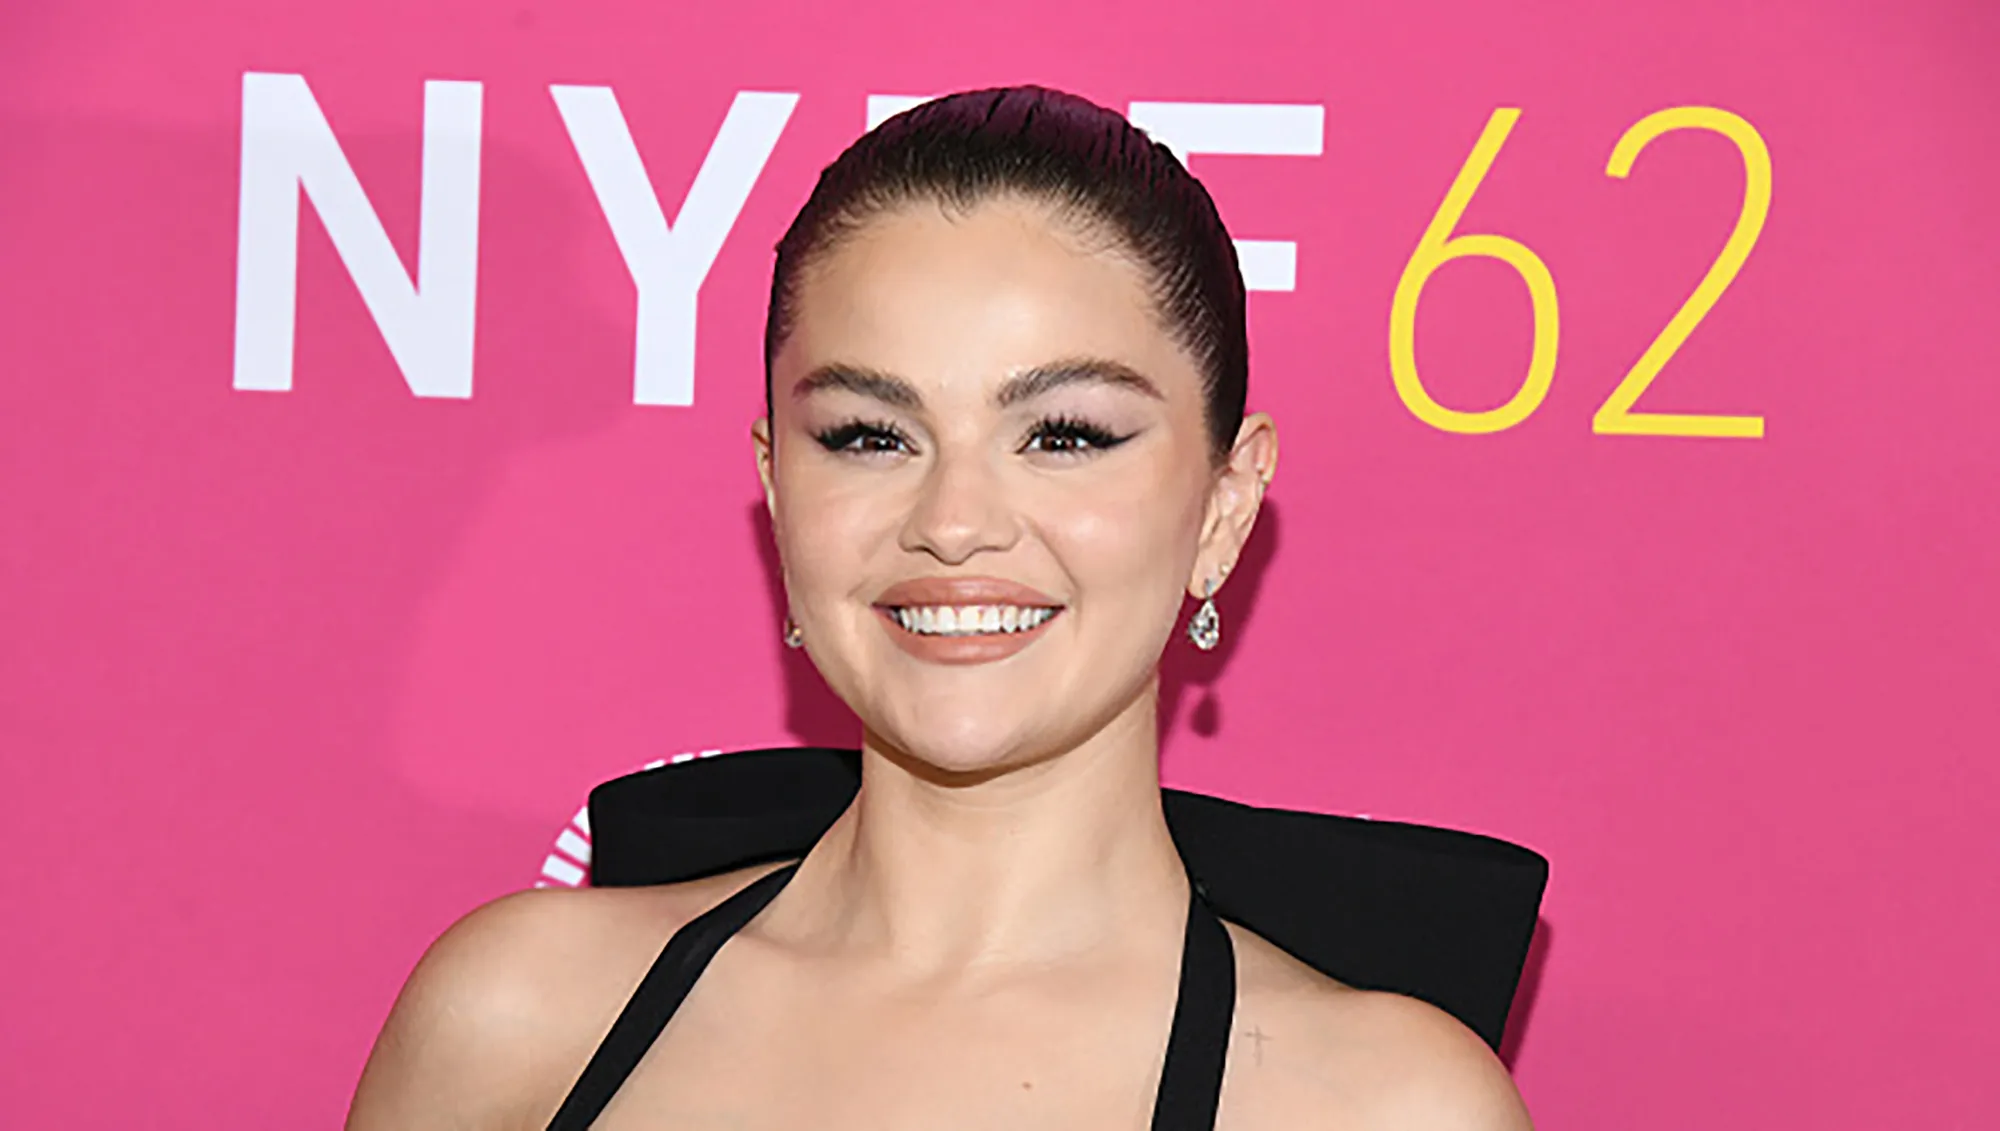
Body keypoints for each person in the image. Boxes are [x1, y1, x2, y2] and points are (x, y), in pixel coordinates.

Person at [345, 85, 1534, 1131]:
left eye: (1063, 435)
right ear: (776, 489)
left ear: (1224, 506)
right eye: (870, 436)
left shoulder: (1381, 1108)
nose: (953, 521)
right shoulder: (514, 1021)